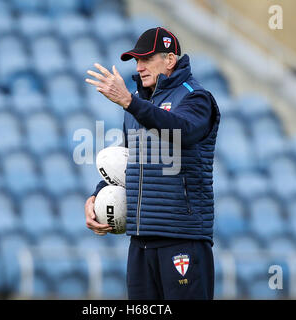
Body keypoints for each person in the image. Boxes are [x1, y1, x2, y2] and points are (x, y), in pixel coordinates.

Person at [84, 27, 220, 300]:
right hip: (140, 240)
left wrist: (129, 102)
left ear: (170, 60)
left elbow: (181, 130)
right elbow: (126, 161)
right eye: (136, 60)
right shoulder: (137, 105)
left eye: (146, 59)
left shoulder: (196, 97)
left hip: (182, 237)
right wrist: (97, 195)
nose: (139, 67)